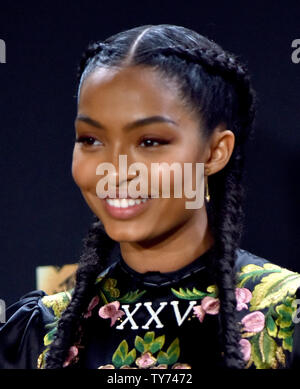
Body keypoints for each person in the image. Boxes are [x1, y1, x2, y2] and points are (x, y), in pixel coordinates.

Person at [1, 24, 300, 370]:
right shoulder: (41, 332)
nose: (115, 169)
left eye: (150, 141)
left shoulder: (285, 315)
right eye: (91, 140)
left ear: (215, 152)